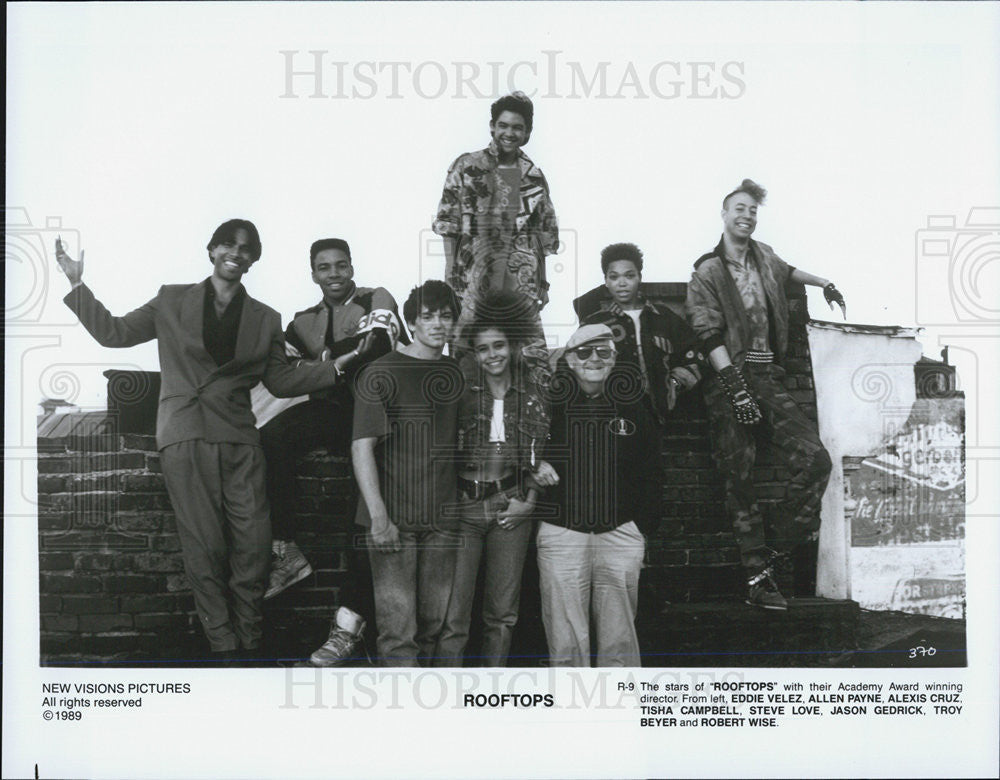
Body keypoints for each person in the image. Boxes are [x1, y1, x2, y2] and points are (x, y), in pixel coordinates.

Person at [55, 220, 342, 664]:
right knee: (204, 547)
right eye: (229, 243)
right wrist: (77, 284)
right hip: (184, 433)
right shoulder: (171, 299)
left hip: (240, 439)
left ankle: (251, 640)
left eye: (247, 248)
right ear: (211, 250)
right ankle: (224, 646)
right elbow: (115, 333)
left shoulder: (266, 318)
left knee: (253, 544)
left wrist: (338, 367)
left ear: (254, 259)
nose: (237, 252)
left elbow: (281, 381)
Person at [684, 178, 844, 610]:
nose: (747, 216)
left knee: (816, 459)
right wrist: (735, 389)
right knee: (739, 479)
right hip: (727, 381)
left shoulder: (765, 257)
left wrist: (822, 281)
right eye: (740, 208)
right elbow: (706, 333)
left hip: (767, 375)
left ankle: (772, 543)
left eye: (753, 210)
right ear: (724, 213)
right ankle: (757, 578)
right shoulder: (707, 272)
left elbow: (789, 272)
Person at [256, 238, 408, 667]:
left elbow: (376, 346)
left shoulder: (377, 297)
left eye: (341, 265)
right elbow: (279, 373)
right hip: (335, 412)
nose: (334, 274)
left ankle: (352, 626)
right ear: (313, 274)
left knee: (362, 515)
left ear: (352, 267)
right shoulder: (302, 321)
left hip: (383, 414)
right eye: (324, 268)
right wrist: (335, 362)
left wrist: (319, 364)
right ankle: (286, 549)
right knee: (273, 439)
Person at [351, 280, 464, 666]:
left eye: (445, 316)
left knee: (433, 629)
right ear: (411, 322)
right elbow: (361, 446)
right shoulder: (381, 371)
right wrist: (379, 518)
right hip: (394, 520)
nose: (437, 324)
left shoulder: (456, 373)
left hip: (444, 521)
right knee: (399, 637)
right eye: (427, 316)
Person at [442, 290, 557, 666]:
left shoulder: (533, 391)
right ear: (473, 353)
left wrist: (531, 500)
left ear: (513, 347)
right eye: (483, 349)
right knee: (454, 616)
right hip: (463, 506)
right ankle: (446, 697)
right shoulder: (460, 388)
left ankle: (493, 691)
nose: (492, 355)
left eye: (499, 346)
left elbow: (544, 451)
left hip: (510, 506)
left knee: (502, 615)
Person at [537, 324, 663, 667]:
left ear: (614, 358)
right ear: (570, 360)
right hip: (562, 531)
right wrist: (534, 463)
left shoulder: (634, 405)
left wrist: (640, 527)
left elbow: (653, 469)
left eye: (603, 351)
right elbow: (520, 451)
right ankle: (571, 710)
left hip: (619, 531)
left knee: (619, 638)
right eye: (584, 352)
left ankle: (619, 711)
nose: (594, 359)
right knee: (565, 640)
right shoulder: (547, 406)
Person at [432, 91, 559, 329]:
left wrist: (543, 282)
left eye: (517, 128)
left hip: (520, 281)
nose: (509, 133)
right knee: (469, 351)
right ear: (492, 127)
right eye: (503, 125)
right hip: (471, 276)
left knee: (521, 355)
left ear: (527, 133)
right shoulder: (467, 167)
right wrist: (450, 271)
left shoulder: (534, 178)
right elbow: (448, 223)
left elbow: (543, 236)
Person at [581, 242, 702, 424]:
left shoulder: (664, 318)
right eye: (614, 277)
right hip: (610, 420)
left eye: (629, 276)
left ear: (639, 277)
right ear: (606, 281)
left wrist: (675, 384)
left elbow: (696, 355)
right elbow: (575, 367)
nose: (622, 283)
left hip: (661, 418)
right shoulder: (594, 323)